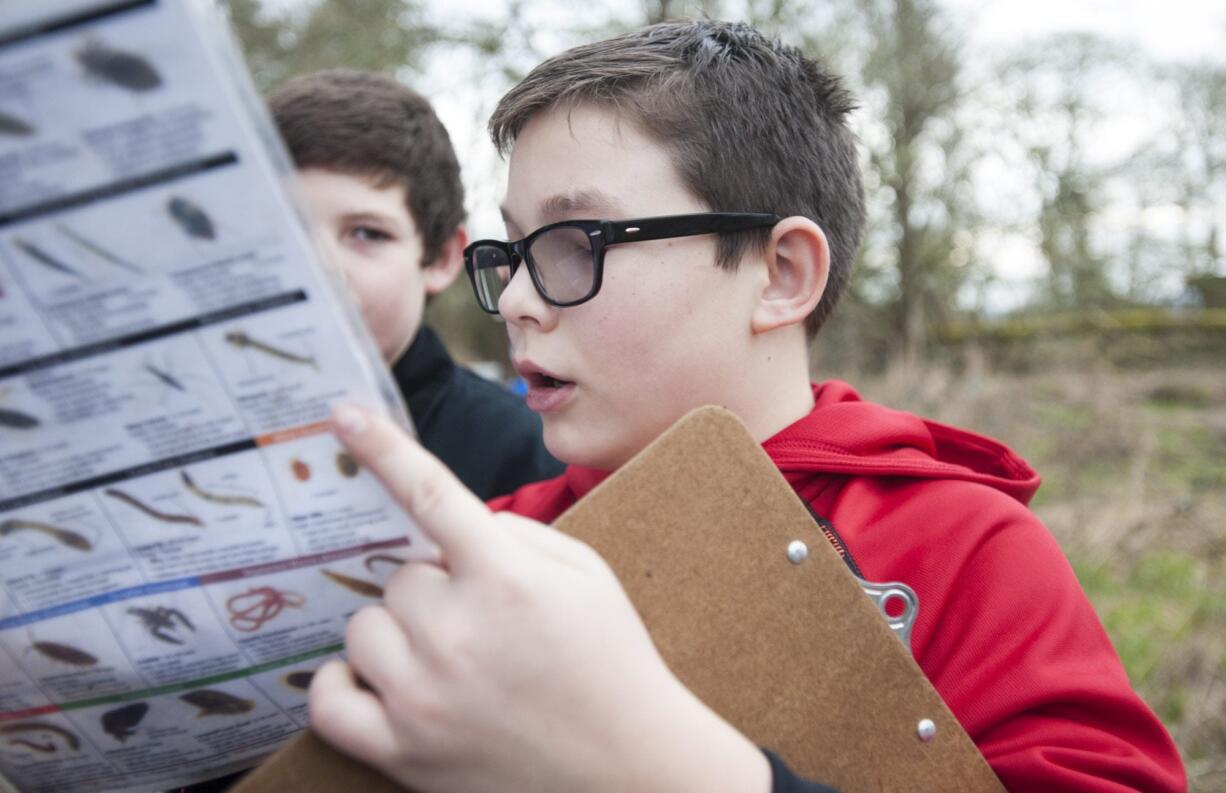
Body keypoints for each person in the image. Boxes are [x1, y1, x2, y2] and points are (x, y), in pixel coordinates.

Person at [308, 22, 1187, 793]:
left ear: (781, 275)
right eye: (515, 251)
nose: (517, 303)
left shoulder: (964, 551)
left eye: (576, 244)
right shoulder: (498, 544)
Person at [268, 69, 563, 501]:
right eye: (285, 231)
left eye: (367, 233)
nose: (319, 266)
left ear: (441, 258)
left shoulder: (524, 452)